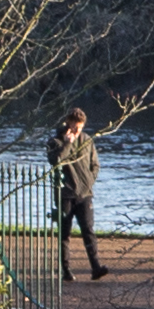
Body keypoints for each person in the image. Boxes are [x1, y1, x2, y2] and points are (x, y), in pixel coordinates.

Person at [47, 106, 107, 283]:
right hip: (65, 194)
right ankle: (66, 269)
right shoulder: (55, 142)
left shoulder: (87, 140)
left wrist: (89, 180)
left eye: (80, 128)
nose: (77, 131)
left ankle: (96, 267)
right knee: (65, 233)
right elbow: (56, 161)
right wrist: (67, 143)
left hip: (84, 193)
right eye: (74, 127)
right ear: (68, 123)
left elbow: (95, 164)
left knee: (88, 230)